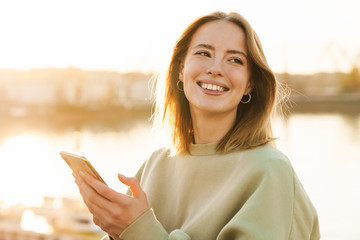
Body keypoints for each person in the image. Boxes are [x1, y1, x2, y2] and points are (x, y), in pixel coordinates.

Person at [73, 11, 320, 240]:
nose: (215, 69)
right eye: (203, 53)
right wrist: (114, 226)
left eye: (234, 60)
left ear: (250, 84)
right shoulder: (156, 164)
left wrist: (138, 229)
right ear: (181, 69)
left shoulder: (271, 171)